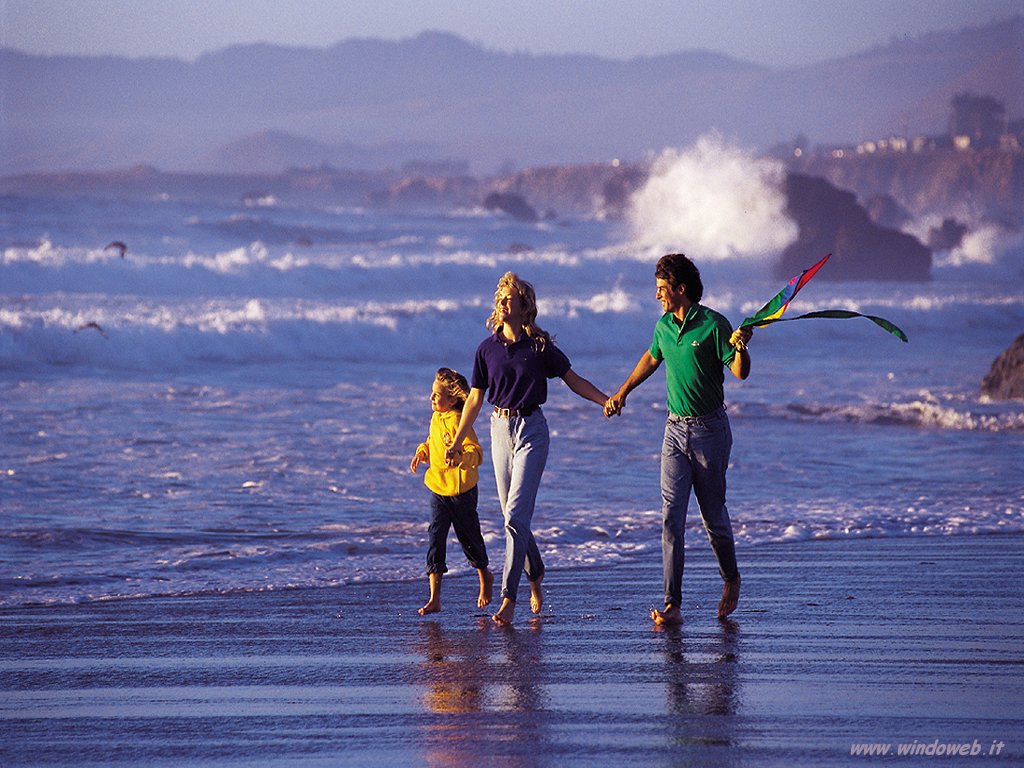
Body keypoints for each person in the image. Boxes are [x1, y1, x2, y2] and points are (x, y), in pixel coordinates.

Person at [445, 272, 609, 626]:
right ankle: (536, 573)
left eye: (510, 299)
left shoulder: (539, 347)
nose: (503, 304)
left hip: (532, 429)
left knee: (516, 517)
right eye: (500, 299)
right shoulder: (485, 349)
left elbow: (572, 379)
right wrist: (458, 440)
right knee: (511, 519)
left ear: (525, 307)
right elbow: (475, 398)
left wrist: (604, 400)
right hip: (499, 429)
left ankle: (508, 598)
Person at [605, 253, 752, 625]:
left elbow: (740, 372)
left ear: (680, 289)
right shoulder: (663, 326)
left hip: (710, 432)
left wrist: (741, 347)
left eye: (661, 289)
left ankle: (731, 578)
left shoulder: (714, 324)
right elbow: (652, 359)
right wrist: (623, 391)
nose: (657, 296)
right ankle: (672, 604)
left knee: (713, 517)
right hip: (674, 431)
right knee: (671, 518)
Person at [410, 367, 494, 616]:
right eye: (432, 393)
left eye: (437, 395)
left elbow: (477, 453)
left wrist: (460, 457)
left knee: (469, 539)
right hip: (437, 488)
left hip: (461, 492)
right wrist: (422, 452)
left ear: (453, 399)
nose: (431, 398)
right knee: (435, 538)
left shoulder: (460, 420)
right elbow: (431, 441)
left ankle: (484, 577)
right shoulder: (436, 418)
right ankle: (434, 598)